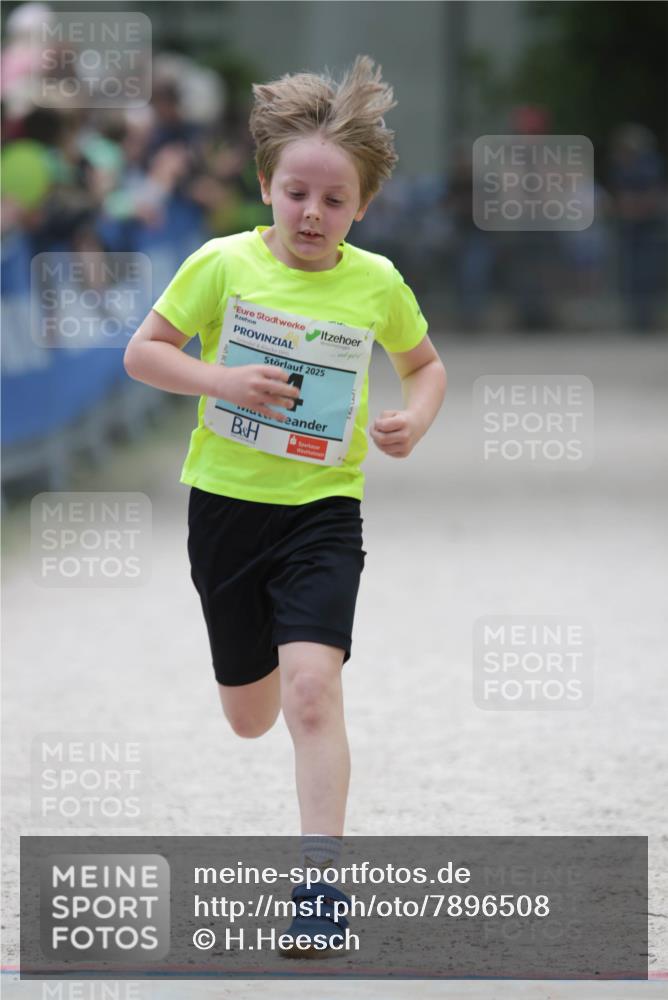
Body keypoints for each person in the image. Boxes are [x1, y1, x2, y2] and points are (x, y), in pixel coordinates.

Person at [123, 55, 446, 957]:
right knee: (251, 713)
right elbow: (144, 354)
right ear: (265, 184)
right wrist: (219, 376)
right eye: (296, 191)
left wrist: (412, 419)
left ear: (361, 209)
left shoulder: (375, 283)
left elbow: (426, 366)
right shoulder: (220, 265)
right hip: (226, 509)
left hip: (322, 511)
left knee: (311, 692)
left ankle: (319, 891)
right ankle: (251, 686)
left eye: (333, 200)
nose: (311, 213)